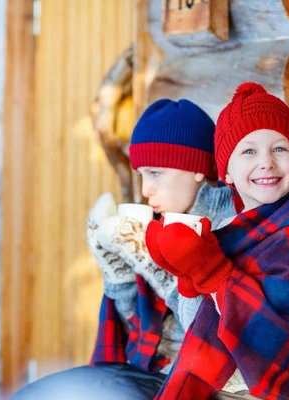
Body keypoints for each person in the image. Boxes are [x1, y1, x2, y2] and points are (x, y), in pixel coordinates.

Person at [12, 98, 236, 399]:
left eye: (155, 173)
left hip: (204, 382)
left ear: (196, 169)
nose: (145, 190)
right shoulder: (159, 222)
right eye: (141, 174)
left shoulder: (228, 223)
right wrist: (116, 271)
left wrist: (152, 265)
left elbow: (216, 332)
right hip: (150, 368)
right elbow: (138, 329)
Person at [145, 82, 289, 399]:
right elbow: (193, 323)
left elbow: (281, 353)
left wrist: (211, 272)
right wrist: (185, 270)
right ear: (226, 171)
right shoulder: (232, 231)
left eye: (280, 148)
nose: (266, 161)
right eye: (249, 150)